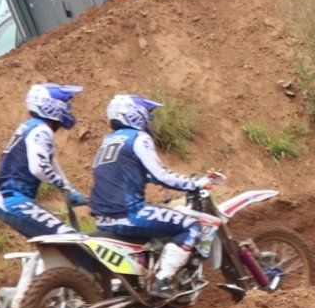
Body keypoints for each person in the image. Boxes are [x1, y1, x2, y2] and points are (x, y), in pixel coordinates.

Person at [88, 94, 222, 295]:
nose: (147, 119)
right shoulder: (138, 138)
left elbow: (133, 174)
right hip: (129, 214)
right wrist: (195, 183)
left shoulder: (108, 142)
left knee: (161, 216)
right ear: (134, 114)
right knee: (190, 225)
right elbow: (162, 175)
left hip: (104, 218)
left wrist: (157, 180)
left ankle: (142, 278)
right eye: (145, 114)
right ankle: (163, 281)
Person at [0, 84, 88, 240]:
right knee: (71, 239)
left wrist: (69, 190)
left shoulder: (31, 126)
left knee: (58, 243)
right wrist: (63, 186)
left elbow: (51, 161)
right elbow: (39, 167)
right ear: (50, 105)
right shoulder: (41, 130)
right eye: (65, 103)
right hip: (14, 201)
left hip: (10, 200)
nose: (68, 108)